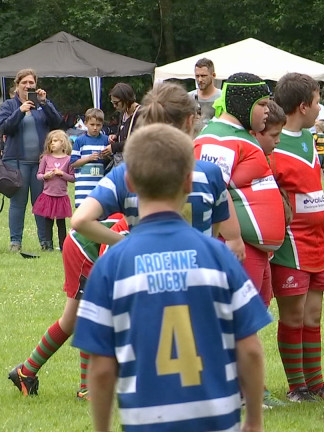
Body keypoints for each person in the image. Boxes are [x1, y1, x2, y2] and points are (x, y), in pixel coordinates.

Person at [72, 124, 271, 432]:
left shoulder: (111, 266)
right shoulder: (218, 258)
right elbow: (250, 349)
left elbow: (100, 368)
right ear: (189, 183)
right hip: (218, 421)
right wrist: (254, 421)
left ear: (129, 182)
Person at [72, 82, 236, 253]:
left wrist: (127, 243)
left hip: (143, 271)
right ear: (189, 121)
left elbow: (80, 220)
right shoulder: (210, 174)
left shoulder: (126, 174)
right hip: (198, 272)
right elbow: (213, 233)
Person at [272, 72, 324, 402]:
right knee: (294, 316)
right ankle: (296, 385)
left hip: (316, 241)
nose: (319, 108)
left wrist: (322, 230)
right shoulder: (271, 141)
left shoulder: (309, 137)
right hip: (290, 244)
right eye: (316, 102)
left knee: (313, 316)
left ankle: (316, 382)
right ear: (302, 106)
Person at [8, 214, 126, 399]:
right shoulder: (135, 220)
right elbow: (107, 251)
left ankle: (26, 372)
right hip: (84, 250)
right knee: (86, 317)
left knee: (72, 320)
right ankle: (87, 388)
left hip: (87, 247)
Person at [194, 73, 285, 308]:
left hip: (253, 250)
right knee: (235, 326)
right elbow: (211, 192)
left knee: (248, 325)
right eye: (262, 104)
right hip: (236, 249)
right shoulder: (218, 139)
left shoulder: (237, 136)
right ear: (243, 104)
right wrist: (233, 240)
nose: (267, 111)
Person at [0, 68, 63, 252]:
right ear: (17, 86)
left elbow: (58, 122)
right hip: (16, 162)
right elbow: (5, 128)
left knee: (41, 202)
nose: (28, 86)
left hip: (40, 163)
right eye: (24, 83)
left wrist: (46, 102)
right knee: (18, 203)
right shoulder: (9, 106)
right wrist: (20, 111)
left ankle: (45, 242)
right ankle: (15, 242)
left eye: (31, 83)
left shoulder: (41, 105)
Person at [32, 130, 74, 251]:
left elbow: (72, 178)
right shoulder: (46, 158)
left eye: (55, 141)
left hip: (61, 195)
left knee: (61, 222)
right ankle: (48, 244)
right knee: (48, 221)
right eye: (50, 142)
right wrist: (45, 176)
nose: (52, 144)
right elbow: (39, 175)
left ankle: (63, 245)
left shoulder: (68, 159)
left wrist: (62, 174)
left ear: (63, 143)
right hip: (48, 195)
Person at [71, 108, 109, 208]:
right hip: (83, 186)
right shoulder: (80, 141)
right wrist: (89, 158)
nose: (95, 128)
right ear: (86, 123)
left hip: (100, 185)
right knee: (83, 215)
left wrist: (106, 156)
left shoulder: (106, 140)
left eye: (98, 125)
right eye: (92, 125)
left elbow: (110, 162)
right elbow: (73, 163)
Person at [106, 82, 141, 168]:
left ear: (126, 99)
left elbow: (137, 141)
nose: (114, 106)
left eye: (116, 103)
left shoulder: (141, 114)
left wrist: (114, 147)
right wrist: (116, 136)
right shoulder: (123, 113)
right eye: (112, 103)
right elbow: (125, 133)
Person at [189, 57, 222, 127]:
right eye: (197, 76)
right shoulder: (188, 98)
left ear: (213, 75)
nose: (200, 79)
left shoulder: (222, 98)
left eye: (203, 76)